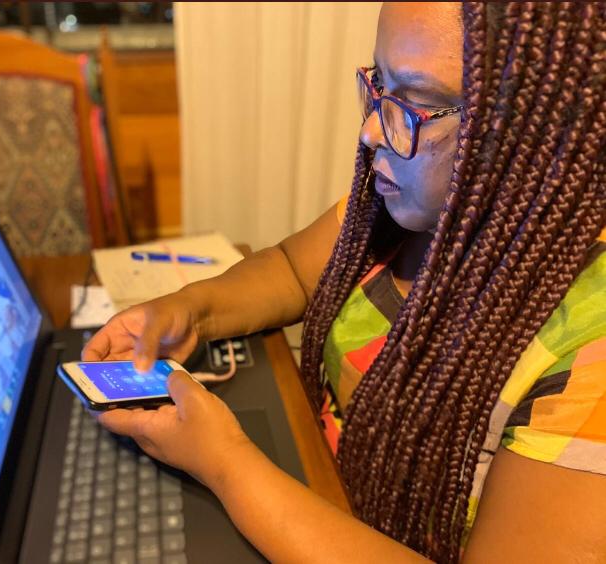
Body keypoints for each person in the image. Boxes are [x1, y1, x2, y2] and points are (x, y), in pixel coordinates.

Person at [83, 3, 606, 562]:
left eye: (417, 102)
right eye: (378, 84)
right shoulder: (402, 214)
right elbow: (291, 270)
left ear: (536, 128)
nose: (370, 130)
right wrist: (191, 310)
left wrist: (225, 462)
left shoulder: (590, 353)